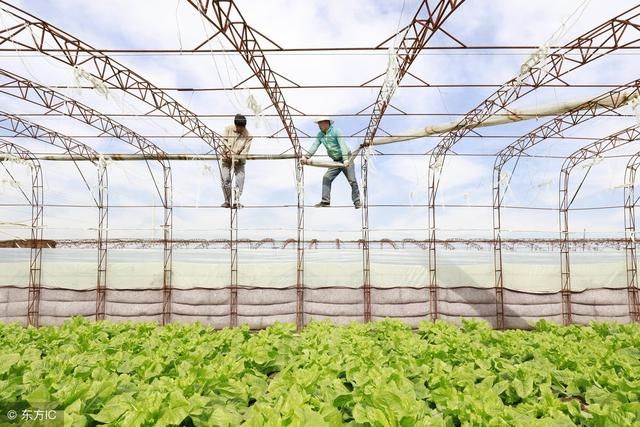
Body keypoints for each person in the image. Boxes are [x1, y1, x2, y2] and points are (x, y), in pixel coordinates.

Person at [303, 117, 361, 208]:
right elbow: (315, 145)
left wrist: (345, 159)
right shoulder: (320, 135)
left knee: (352, 180)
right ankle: (325, 201)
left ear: (326, 123)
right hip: (336, 161)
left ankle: (357, 201)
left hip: (347, 159)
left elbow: (342, 144)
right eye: (318, 124)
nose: (319, 126)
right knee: (326, 177)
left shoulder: (336, 131)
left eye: (320, 123)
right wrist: (306, 157)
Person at [220, 114, 252, 208]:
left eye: (243, 127)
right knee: (225, 179)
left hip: (239, 159)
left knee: (240, 179)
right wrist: (227, 151)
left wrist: (238, 157)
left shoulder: (249, 136)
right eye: (239, 127)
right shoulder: (228, 129)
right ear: (235, 125)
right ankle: (227, 201)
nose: (241, 130)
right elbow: (224, 142)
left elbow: (245, 151)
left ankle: (236, 200)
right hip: (226, 158)